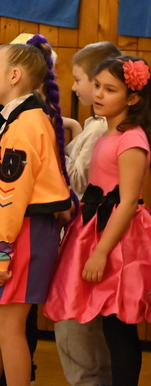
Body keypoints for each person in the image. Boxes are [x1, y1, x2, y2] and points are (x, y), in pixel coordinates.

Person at [45, 56, 151, 386]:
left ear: (132, 98)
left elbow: (127, 202)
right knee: (106, 323)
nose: (99, 94)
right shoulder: (107, 134)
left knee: (119, 326)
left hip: (118, 240)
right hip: (94, 226)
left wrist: (100, 252)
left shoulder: (132, 140)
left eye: (110, 89)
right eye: (97, 86)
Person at [0, 36, 72, 386]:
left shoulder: (24, 125)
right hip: (22, 231)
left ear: (14, 76)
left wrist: (2, 251)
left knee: (9, 326)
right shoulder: (22, 118)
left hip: (22, 234)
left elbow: (10, 196)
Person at [57, 41, 121, 386]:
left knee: (73, 320)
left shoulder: (99, 128)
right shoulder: (94, 125)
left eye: (79, 79)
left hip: (85, 229)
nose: (74, 86)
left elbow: (78, 179)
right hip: (84, 228)